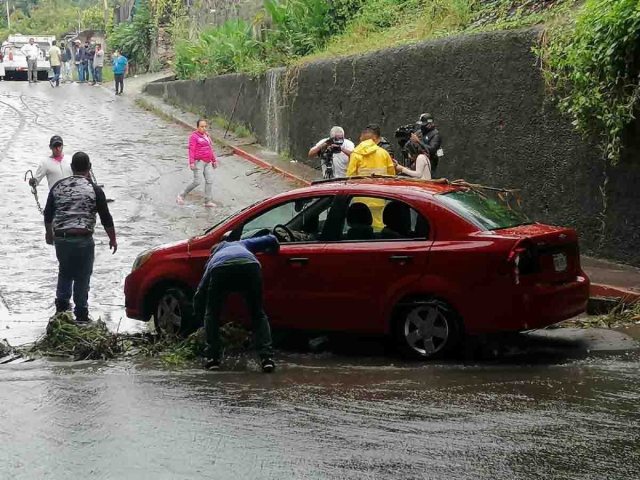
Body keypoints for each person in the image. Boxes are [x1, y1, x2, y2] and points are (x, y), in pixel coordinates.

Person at [43, 152, 117, 323]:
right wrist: (112, 239)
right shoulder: (94, 189)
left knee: (65, 271)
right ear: (89, 168)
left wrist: (49, 234)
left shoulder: (58, 186)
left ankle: (61, 310)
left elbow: (48, 214)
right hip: (83, 239)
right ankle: (81, 313)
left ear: (71, 168)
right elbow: (106, 218)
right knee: (83, 275)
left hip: (61, 239)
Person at [193, 234, 279, 372]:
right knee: (258, 314)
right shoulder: (243, 243)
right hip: (250, 266)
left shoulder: (213, 258)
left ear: (213, 252)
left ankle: (213, 359)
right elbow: (272, 239)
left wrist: (197, 316)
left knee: (212, 315)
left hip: (221, 270)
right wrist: (272, 252)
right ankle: (267, 359)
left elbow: (200, 291)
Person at [177, 119, 218, 207]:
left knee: (209, 181)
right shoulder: (194, 137)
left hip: (208, 161)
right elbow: (191, 150)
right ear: (197, 127)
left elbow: (210, 149)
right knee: (197, 181)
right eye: (202, 127)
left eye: (205, 126)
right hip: (198, 162)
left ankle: (207, 201)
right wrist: (191, 162)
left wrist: (214, 160)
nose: (204, 128)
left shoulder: (207, 136)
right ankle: (181, 195)